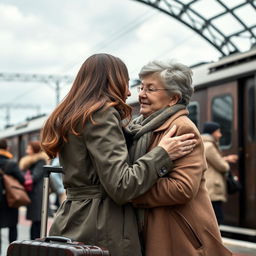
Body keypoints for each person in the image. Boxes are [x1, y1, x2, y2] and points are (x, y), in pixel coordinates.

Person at [40, 53, 197, 256]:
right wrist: (162, 153)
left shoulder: (76, 114)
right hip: (101, 225)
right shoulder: (101, 114)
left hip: (74, 218)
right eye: (125, 82)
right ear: (111, 82)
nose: (129, 93)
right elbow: (121, 185)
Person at [131, 60, 232, 255]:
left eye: (150, 89)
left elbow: (182, 188)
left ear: (173, 99)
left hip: (178, 235)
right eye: (141, 87)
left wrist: (130, 190)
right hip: (157, 227)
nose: (141, 94)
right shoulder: (141, 128)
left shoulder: (181, 128)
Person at [201, 121, 238, 225]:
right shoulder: (209, 146)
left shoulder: (204, 144)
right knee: (217, 218)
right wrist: (226, 163)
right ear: (212, 132)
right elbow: (222, 166)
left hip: (209, 186)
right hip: (213, 187)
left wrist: (225, 158)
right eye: (218, 132)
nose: (220, 134)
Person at [19, 140, 49, 240]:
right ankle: (33, 242)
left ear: (34, 149)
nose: (27, 150)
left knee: (37, 221)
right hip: (34, 194)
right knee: (35, 221)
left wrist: (24, 177)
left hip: (38, 195)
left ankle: (36, 242)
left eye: (29, 148)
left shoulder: (40, 161)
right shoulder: (33, 161)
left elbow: (35, 176)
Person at [0, 139, 25, 251]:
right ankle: (12, 252)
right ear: (7, 148)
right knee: (12, 227)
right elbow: (22, 179)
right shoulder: (11, 163)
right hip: (10, 200)